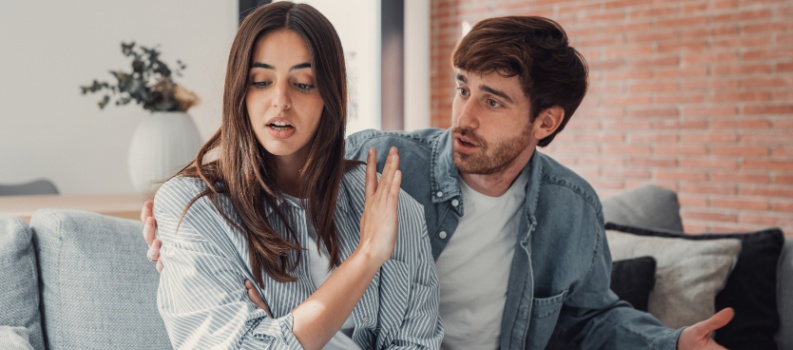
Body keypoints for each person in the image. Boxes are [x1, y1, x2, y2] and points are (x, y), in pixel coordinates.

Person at [145, 14, 733, 350]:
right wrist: (175, 220)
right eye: (461, 89)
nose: (463, 117)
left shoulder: (569, 208)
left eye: (493, 101)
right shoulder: (385, 166)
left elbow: (590, 316)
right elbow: (290, 168)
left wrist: (670, 344)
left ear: (545, 122)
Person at [149, 2, 442, 349]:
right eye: (261, 81)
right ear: (239, 92)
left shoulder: (394, 209)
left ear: (330, 96)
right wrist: (366, 257)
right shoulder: (192, 207)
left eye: (303, 84)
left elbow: (416, 344)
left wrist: (275, 332)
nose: (280, 100)